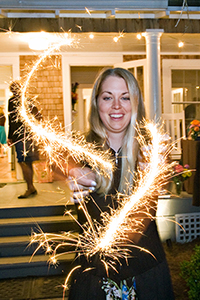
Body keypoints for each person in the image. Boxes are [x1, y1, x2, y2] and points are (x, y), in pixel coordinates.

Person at [67, 68, 174, 300]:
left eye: (125, 97)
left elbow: (147, 208)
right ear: (97, 103)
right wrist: (71, 171)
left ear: (136, 103)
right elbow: (57, 161)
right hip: (92, 275)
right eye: (108, 97)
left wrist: (155, 176)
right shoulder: (80, 148)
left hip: (144, 273)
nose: (117, 106)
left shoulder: (150, 152)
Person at [7, 80, 41, 199]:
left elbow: (12, 120)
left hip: (20, 137)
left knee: (22, 161)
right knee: (28, 161)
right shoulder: (28, 100)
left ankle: (30, 187)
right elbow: (38, 116)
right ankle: (30, 187)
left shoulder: (12, 101)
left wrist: (10, 137)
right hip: (29, 136)